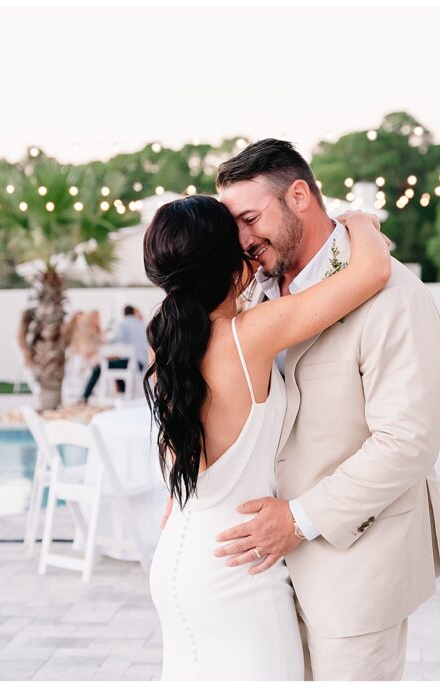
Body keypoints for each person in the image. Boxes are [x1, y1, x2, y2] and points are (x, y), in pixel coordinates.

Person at [181, 139, 440, 681]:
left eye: (251, 218)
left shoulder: (394, 296)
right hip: (261, 580)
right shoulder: (248, 295)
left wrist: (298, 521)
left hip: (355, 571)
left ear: (300, 196)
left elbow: (408, 442)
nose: (242, 239)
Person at [143, 186, 410, 678]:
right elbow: (372, 271)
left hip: (179, 556)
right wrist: (360, 221)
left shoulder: (164, 340)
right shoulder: (251, 335)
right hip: (238, 567)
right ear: (234, 260)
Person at [81, 305, 149, 401]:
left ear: (124, 313)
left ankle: (85, 396)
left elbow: (116, 338)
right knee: (116, 364)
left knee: (100, 367)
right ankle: (123, 391)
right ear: (133, 312)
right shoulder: (142, 324)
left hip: (131, 363)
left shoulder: (123, 323)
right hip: (141, 362)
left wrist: (105, 339)